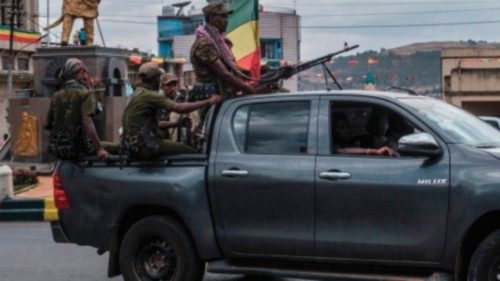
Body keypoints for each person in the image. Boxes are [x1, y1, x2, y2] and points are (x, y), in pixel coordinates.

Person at [121, 63, 222, 159]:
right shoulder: (150, 96)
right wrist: (209, 101)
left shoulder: (135, 94)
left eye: (174, 85)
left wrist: (176, 123)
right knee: (192, 154)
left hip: (133, 145)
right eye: (168, 85)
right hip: (147, 146)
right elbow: (180, 108)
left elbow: (156, 123)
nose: (172, 88)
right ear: (157, 80)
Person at [190, 2, 259, 125]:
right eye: (222, 16)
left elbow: (231, 68)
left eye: (226, 17)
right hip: (212, 99)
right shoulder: (204, 44)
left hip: (223, 96)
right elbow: (224, 73)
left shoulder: (219, 42)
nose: (226, 20)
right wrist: (249, 89)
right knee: (210, 132)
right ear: (211, 18)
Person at [45, 58, 109, 160]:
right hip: (79, 148)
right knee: (116, 147)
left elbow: (48, 124)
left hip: (57, 148)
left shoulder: (56, 95)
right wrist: (99, 149)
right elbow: (87, 121)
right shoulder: (85, 93)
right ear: (81, 74)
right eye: (84, 72)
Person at [331, 112, 395, 156]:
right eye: (342, 127)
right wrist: (376, 151)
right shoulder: (329, 145)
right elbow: (342, 151)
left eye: (347, 126)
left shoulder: (354, 140)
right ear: (333, 130)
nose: (348, 130)